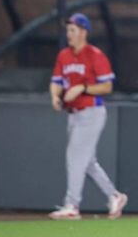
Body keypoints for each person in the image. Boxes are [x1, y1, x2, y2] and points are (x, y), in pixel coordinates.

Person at [49, 13, 128, 220]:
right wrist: (55, 97)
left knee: (75, 158)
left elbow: (107, 86)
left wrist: (82, 88)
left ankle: (72, 205)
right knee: (87, 161)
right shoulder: (64, 55)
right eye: (68, 30)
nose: (69, 34)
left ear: (84, 32)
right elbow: (56, 81)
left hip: (91, 111)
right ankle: (114, 195)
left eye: (73, 30)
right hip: (73, 114)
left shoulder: (95, 55)